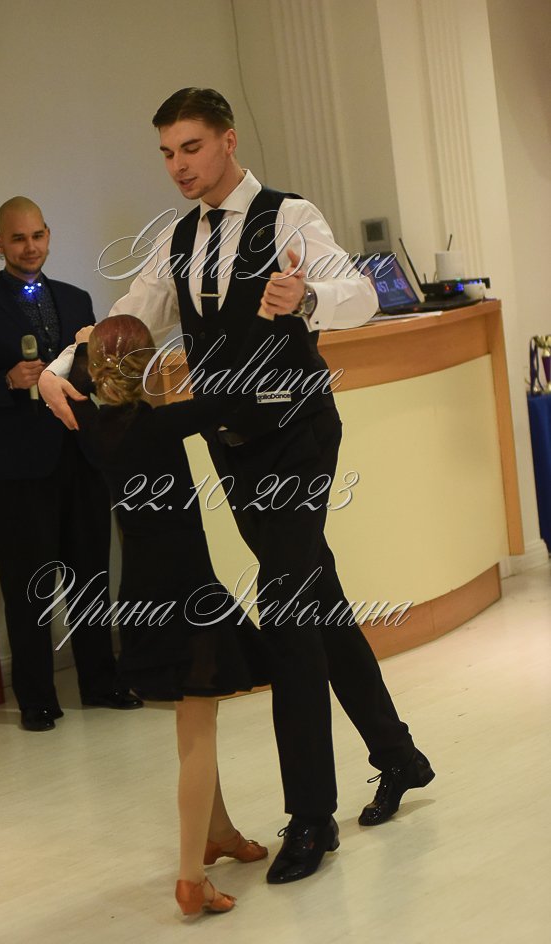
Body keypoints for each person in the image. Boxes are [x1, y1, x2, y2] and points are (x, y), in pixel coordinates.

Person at [41, 89, 434, 882]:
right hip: (235, 446)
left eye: (190, 147)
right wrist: (61, 366)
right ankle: (398, 754)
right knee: (315, 597)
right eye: (166, 153)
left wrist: (310, 297)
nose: (178, 166)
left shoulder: (289, 216)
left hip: (299, 434)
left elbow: (361, 293)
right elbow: (131, 316)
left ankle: (311, 816)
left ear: (227, 140)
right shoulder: (178, 239)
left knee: (287, 612)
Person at [61, 307, 288, 915]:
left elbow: (59, 383)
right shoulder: (164, 424)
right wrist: (266, 323)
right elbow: (234, 397)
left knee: (193, 718)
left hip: (140, 592)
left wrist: (80, 348)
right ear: (148, 368)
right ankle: (190, 878)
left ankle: (219, 833)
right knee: (198, 732)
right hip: (187, 590)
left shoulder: (89, 427)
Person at [0, 196, 142, 732]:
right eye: (18, 238)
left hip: (81, 456)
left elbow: (94, 373)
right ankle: (36, 696)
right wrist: (7, 381)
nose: (30, 247)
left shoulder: (76, 299)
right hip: (19, 470)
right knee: (28, 583)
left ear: (48, 235)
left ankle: (100, 682)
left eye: (37, 236)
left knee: (91, 575)